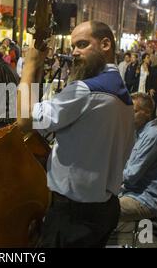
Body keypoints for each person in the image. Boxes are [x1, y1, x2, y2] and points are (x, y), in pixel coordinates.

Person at [17, 21, 135, 248]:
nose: (74, 53)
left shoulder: (86, 90)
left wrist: (30, 66)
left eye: (82, 44)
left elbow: (24, 119)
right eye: (73, 46)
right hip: (104, 209)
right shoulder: (121, 91)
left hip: (73, 213)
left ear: (105, 44)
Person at [119, 93, 157, 222]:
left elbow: (131, 176)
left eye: (134, 111)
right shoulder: (138, 133)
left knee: (99, 209)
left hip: (144, 199)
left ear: (147, 113)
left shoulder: (152, 136)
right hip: (131, 192)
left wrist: (106, 176)